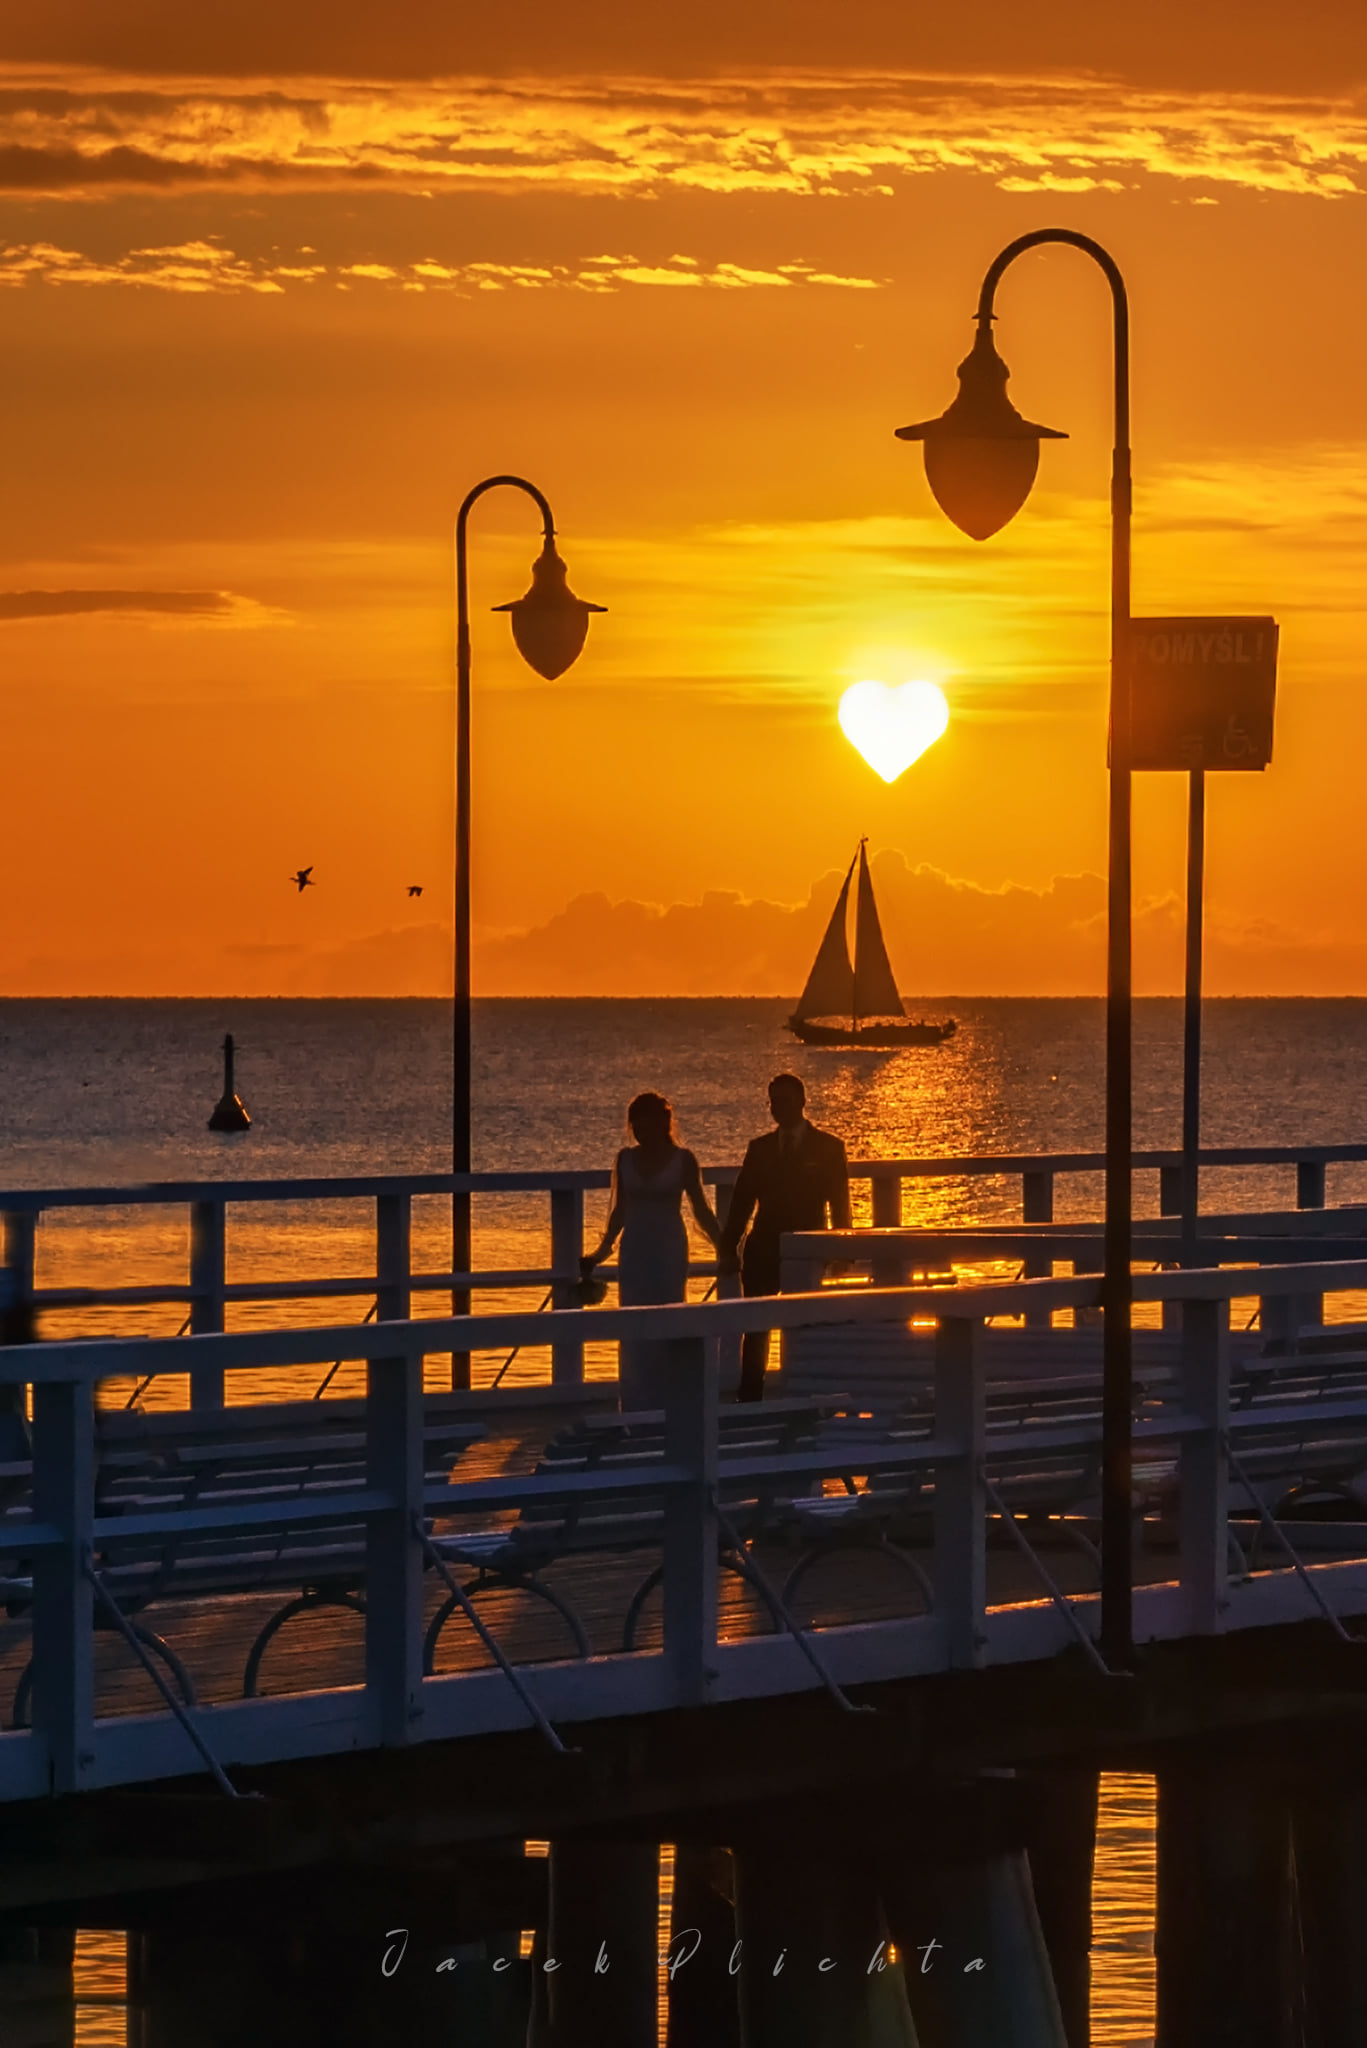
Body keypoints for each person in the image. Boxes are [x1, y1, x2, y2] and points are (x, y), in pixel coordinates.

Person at [581, 1092, 723, 1411]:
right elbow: (618, 1212)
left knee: (669, 1318)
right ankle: (635, 1402)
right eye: (636, 1121)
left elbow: (700, 1209)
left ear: (664, 1121)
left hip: (669, 1246)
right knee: (633, 1325)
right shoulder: (625, 1159)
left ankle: (669, 1402)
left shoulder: (683, 1159)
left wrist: (724, 1247)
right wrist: (599, 1253)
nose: (641, 1127)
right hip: (635, 1249)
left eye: (649, 1119)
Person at [719, 1074, 851, 1403]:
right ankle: (751, 1394)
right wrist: (729, 1246)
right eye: (774, 1102)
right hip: (763, 1246)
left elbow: (840, 1202)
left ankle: (807, 1390)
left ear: (803, 1101)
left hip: (808, 1249)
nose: (779, 1108)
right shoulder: (759, 1148)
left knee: (808, 1324)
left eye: (786, 1100)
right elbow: (742, 1202)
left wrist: (842, 1250)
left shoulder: (828, 1148)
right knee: (757, 1325)